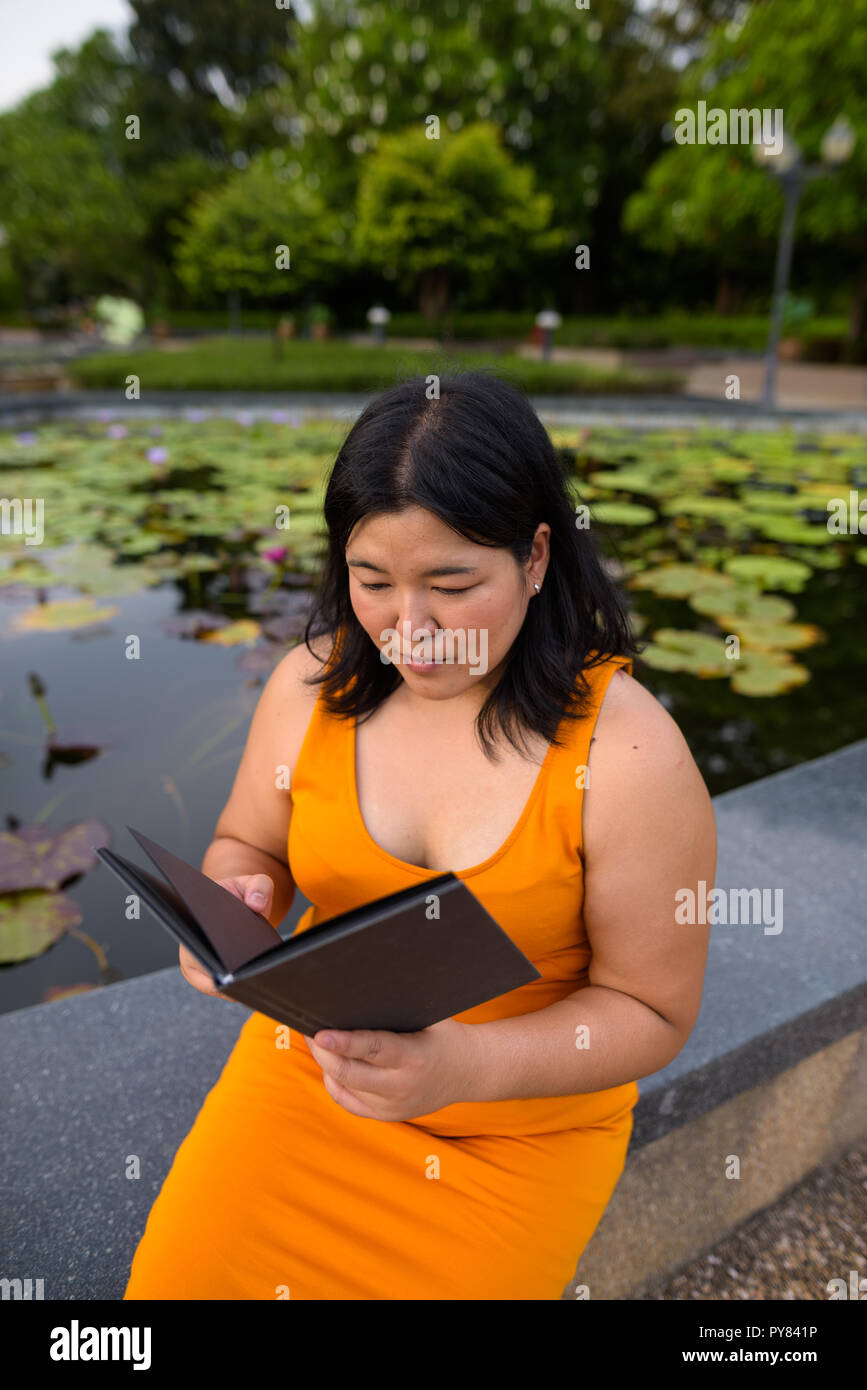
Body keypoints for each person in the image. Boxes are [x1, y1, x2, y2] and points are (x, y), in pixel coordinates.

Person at [124, 370, 716, 1301]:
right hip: (310, 1080)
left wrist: (462, 1065)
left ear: (533, 558)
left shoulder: (630, 753)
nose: (413, 630)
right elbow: (249, 844)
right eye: (372, 582)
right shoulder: (308, 688)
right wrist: (240, 900)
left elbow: (653, 1012)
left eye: (452, 584)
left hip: (515, 1130)